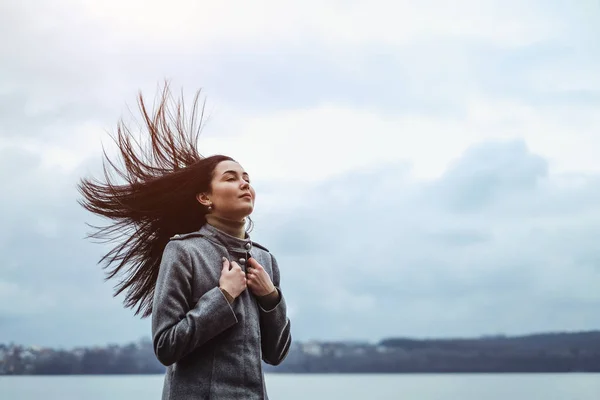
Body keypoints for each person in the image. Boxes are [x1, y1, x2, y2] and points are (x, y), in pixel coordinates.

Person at [78, 84, 292, 399]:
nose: (244, 183)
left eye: (247, 178)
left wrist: (271, 297)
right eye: (231, 178)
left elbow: (275, 354)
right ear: (205, 197)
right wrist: (223, 296)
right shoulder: (184, 251)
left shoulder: (265, 261)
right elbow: (166, 346)